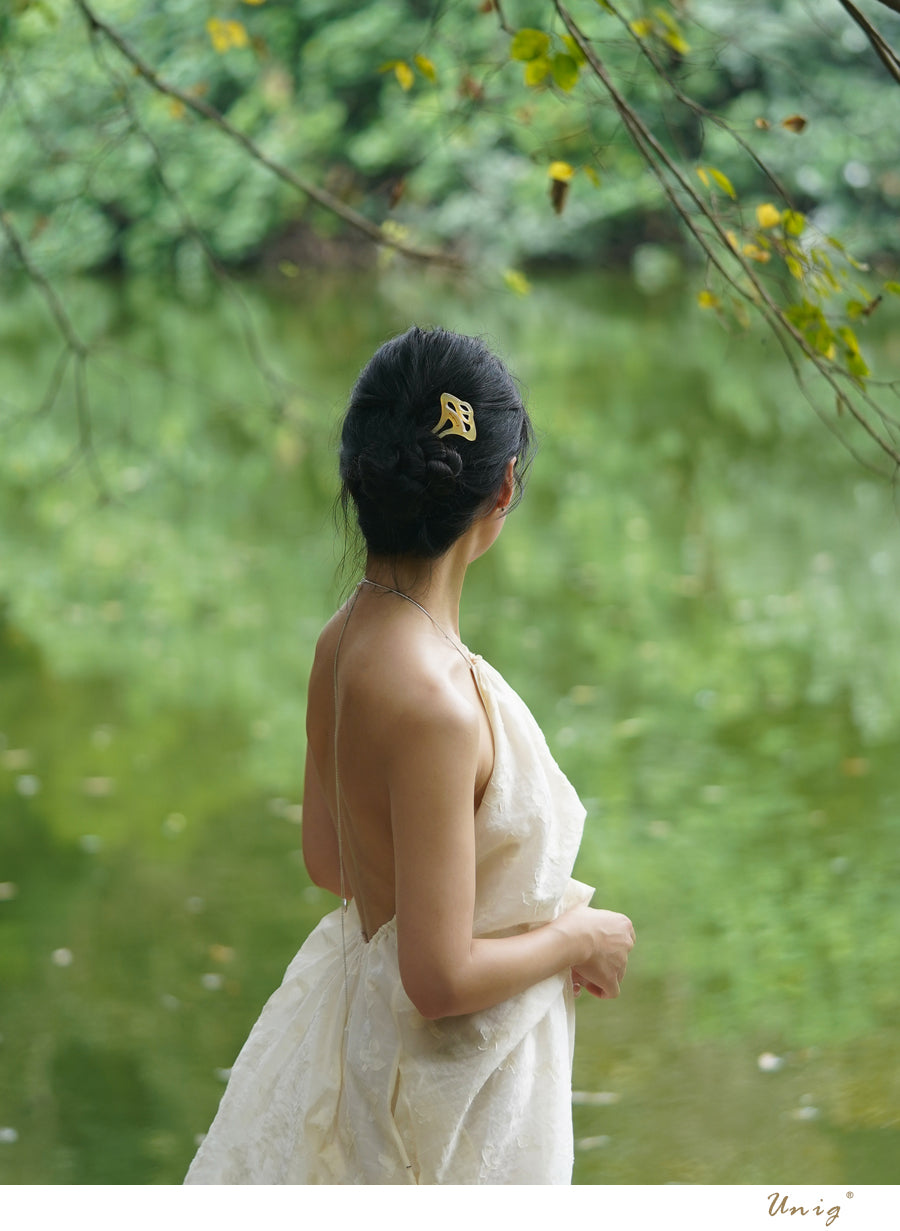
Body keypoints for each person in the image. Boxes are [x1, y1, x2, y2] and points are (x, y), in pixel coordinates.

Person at [184, 325, 635, 1185]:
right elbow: (439, 976)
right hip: (442, 1089)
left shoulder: (342, 637)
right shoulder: (436, 701)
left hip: (353, 1032)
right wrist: (578, 936)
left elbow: (330, 856)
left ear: (358, 475)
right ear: (502, 488)